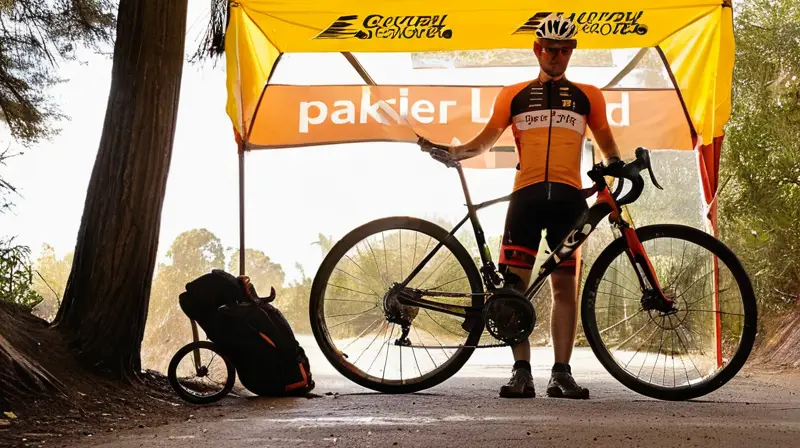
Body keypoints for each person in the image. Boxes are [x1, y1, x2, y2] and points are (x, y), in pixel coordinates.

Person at [419, 13, 621, 399]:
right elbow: (483, 142)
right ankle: (521, 372)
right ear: (536, 49)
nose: (556, 57)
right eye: (549, 49)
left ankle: (561, 373)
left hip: (568, 199)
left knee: (565, 289)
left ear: (571, 52)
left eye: (564, 51)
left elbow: (609, 147)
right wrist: (451, 151)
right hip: (525, 199)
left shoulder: (588, 96)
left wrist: (618, 167)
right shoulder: (512, 94)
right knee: (514, 289)